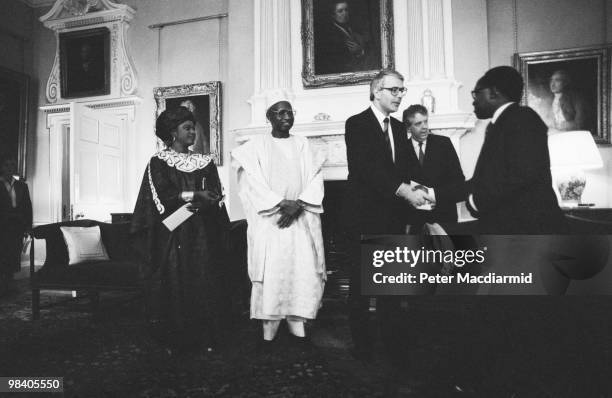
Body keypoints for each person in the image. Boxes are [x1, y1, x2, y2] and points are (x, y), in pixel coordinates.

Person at [344, 69, 428, 361]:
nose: (399, 96)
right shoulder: (356, 124)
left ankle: (393, 346)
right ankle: (363, 348)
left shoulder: (398, 128)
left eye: (402, 90)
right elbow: (368, 170)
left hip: (393, 219)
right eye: (394, 90)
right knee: (362, 287)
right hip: (363, 219)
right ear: (376, 90)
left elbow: (407, 171)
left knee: (391, 287)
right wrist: (406, 191)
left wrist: (426, 198)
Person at [130, 106, 230, 353]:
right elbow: (162, 197)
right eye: (187, 128)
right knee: (176, 282)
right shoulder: (158, 162)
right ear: (172, 133)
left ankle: (206, 337)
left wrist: (207, 199)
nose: (193, 132)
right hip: (173, 234)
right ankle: (177, 340)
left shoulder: (205, 162)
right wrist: (195, 195)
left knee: (204, 280)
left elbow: (216, 192)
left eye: (193, 127)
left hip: (204, 233)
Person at [231, 100, 326, 345]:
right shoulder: (255, 147)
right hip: (271, 220)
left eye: (289, 112)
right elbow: (251, 182)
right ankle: (269, 328)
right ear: (269, 117)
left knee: (302, 269)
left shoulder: (303, 144)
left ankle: (297, 322)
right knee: (271, 272)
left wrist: (300, 204)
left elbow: (315, 177)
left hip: (301, 218)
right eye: (280, 113)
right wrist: (281, 202)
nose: (286, 117)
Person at [433, 66, 566, 234]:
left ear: (494, 93)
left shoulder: (523, 119)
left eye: (476, 93)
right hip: (510, 228)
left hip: (530, 230)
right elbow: (479, 181)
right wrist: (433, 194)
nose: (474, 100)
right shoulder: (499, 123)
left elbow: (521, 176)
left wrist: (476, 201)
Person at [402, 104, 465, 232]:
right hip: (415, 221)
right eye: (418, 124)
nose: (424, 127)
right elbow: (400, 186)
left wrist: (436, 196)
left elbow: (459, 182)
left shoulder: (444, 144)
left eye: (425, 121)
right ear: (408, 128)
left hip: (444, 217)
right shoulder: (401, 150)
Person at [0, 155, 32, 297]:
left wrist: (27, 227)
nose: (10, 168)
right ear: (2, 167)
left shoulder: (21, 186)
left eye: (12, 165)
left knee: (13, 255)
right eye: (7, 165)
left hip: (16, 226)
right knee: (3, 255)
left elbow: (27, 207)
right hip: (2, 226)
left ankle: (9, 284)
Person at [315, 1, 373, 74]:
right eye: (340, 11)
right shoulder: (330, 35)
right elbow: (337, 61)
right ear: (333, 15)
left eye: (346, 10)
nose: (344, 13)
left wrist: (360, 51)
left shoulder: (351, 29)